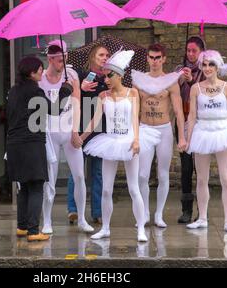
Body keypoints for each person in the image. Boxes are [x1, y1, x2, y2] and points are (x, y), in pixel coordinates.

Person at [81, 49, 149, 242]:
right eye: (105, 76)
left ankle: (141, 228)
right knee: (106, 189)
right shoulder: (103, 96)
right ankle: (105, 228)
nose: (107, 79)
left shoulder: (132, 92)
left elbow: (135, 118)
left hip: (128, 140)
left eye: (110, 75)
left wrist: (136, 139)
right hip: (109, 141)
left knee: (133, 188)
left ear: (120, 75)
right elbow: (95, 120)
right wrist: (82, 137)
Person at [7, 56, 73, 241]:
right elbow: (54, 110)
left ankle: (22, 226)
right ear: (31, 73)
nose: (42, 73)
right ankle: (34, 231)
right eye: (39, 70)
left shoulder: (13, 91)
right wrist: (65, 91)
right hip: (31, 144)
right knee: (36, 186)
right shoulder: (35, 92)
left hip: (14, 145)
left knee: (24, 187)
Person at [185, 50, 227, 233]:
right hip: (202, 132)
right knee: (201, 179)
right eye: (204, 64)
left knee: (226, 178)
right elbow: (191, 116)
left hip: (222, 131)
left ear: (218, 66)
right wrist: (188, 138)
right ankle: (203, 218)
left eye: (211, 64)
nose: (207, 68)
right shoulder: (195, 88)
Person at [38, 40, 94, 234]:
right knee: (49, 178)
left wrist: (75, 130)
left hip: (68, 129)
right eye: (60, 60)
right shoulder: (41, 78)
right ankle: (47, 220)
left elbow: (77, 103)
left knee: (79, 175)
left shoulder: (71, 75)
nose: (63, 62)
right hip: (49, 132)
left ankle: (82, 218)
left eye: (66, 58)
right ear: (50, 59)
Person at [131, 43, 187, 228]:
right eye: (151, 57)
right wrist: (135, 133)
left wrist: (182, 137)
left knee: (163, 175)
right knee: (142, 175)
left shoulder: (170, 81)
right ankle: (145, 212)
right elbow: (133, 108)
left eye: (158, 58)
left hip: (164, 129)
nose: (154, 61)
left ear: (163, 59)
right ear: (147, 58)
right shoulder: (139, 80)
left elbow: (178, 111)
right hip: (145, 128)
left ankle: (159, 214)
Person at [67, 44, 110, 224]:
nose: (105, 58)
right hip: (80, 128)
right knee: (76, 171)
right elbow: (67, 97)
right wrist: (81, 88)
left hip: (100, 129)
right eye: (101, 54)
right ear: (93, 57)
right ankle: (73, 209)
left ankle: (97, 211)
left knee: (98, 172)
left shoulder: (109, 78)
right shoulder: (80, 76)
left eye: (107, 55)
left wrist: (112, 87)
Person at [176, 36, 207, 224]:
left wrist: (191, 82)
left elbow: (205, 94)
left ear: (202, 51)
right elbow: (172, 93)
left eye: (194, 50)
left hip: (202, 123)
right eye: (188, 50)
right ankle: (186, 209)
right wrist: (182, 79)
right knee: (186, 167)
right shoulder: (179, 71)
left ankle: (202, 210)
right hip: (184, 120)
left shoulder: (207, 70)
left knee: (201, 168)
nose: (190, 54)